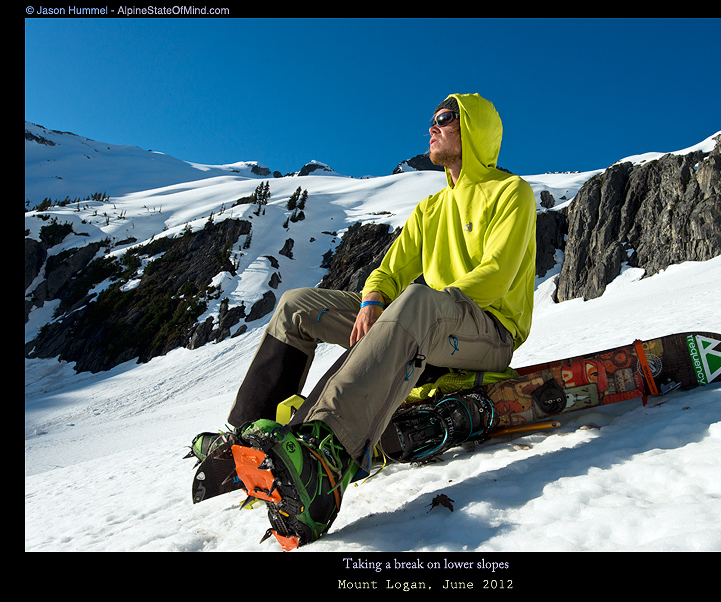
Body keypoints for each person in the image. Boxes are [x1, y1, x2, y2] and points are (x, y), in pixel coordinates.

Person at [194, 93, 537, 549]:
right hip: (424, 325)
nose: (431, 127)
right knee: (298, 305)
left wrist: (414, 309)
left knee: (416, 299)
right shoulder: (431, 209)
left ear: (474, 128)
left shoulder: (510, 192)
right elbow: (390, 270)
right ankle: (246, 437)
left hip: (487, 331)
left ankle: (323, 458)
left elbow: (496, 275)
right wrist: (374, 298)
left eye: (444, 119)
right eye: (431, 119)